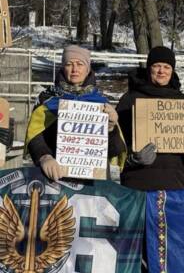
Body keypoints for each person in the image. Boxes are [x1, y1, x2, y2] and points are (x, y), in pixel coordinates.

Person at [25, 45, 126, 181]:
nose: (75, 69)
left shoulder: (101, 101)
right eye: (69, 64)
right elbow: (35, 136)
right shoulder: (47, 98)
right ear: (63, 67)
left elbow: (114, 150)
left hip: (94, 184)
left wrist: (111, 127)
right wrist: (44, 157)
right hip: (57, 178)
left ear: (88, 69)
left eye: (80, 64)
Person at [116, 45, 184, 191]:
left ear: (172, 70)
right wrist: (132, 159)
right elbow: (116, 143)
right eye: (156, 66)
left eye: (166, 67)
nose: (161, 71)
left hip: (176, 184)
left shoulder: (183, 102)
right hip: (138, 182)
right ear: (149, 67)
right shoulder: (130, 99)